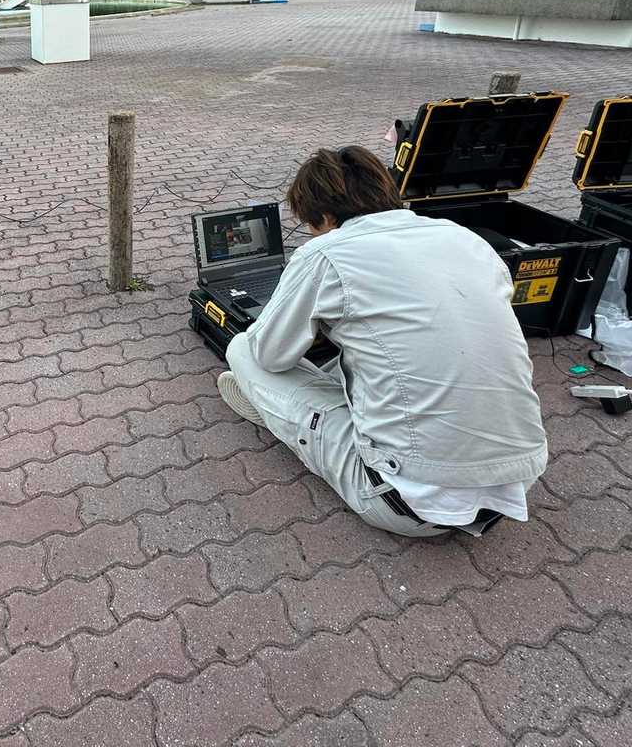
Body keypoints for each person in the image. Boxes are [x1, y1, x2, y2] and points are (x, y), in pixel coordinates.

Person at [217, 146, 547, 536]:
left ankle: (279, 414)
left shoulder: (324, 253)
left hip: (404, 502)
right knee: (372, 357)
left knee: (243, 348)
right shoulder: (463, 238)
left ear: (325, 217)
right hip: (515, 484)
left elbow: (270, 356)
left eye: (310, 224)